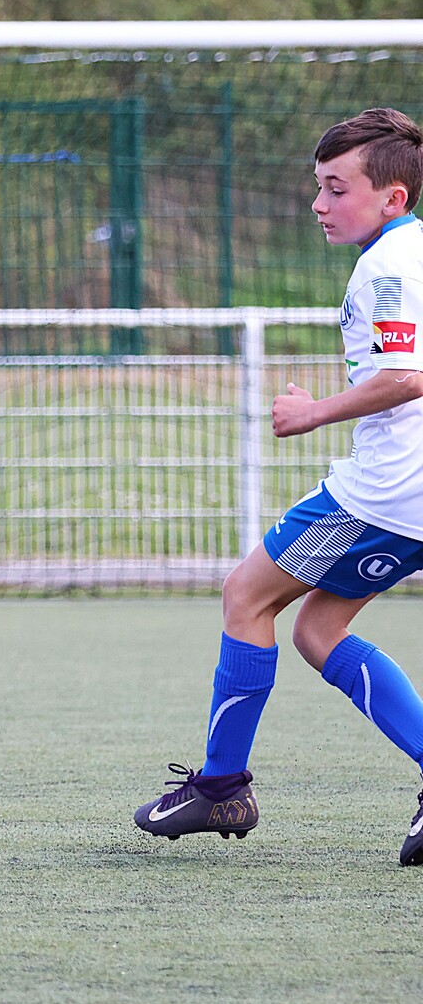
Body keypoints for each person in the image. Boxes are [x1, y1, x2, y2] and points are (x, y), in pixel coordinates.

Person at [134, 107, 423, 866]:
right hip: (412, 498)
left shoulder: (389, 267)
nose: (320, 204)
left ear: (392, 196)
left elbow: (405, 376)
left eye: (337, 188)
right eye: (318, 186)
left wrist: (314, 411)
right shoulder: (412, 250)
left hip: (381, 495)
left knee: (247, 595)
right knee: (317, 631)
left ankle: (222, 786)